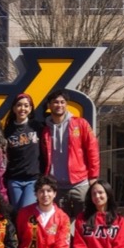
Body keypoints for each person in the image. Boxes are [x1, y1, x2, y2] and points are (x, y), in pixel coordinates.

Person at [41, 89, 100, 219]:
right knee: (61, 223)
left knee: (86, 220)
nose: (59, 105)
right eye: (55, 102)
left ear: (66, 104)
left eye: (62, 102)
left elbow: (93, 150)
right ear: (50, 105)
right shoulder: (45, 129)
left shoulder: (80, 123)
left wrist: (93, 176)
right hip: (56, 185)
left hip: (80, 183)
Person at [3, 93, 44, 210]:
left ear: (30, 109)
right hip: (14, 179)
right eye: (19, 105)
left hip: (33, 179)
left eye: (26, 106)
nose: (23, 108)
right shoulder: (7, 130)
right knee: (16, 213)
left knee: (25, 210)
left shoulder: (37, 127)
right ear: (14, 108)